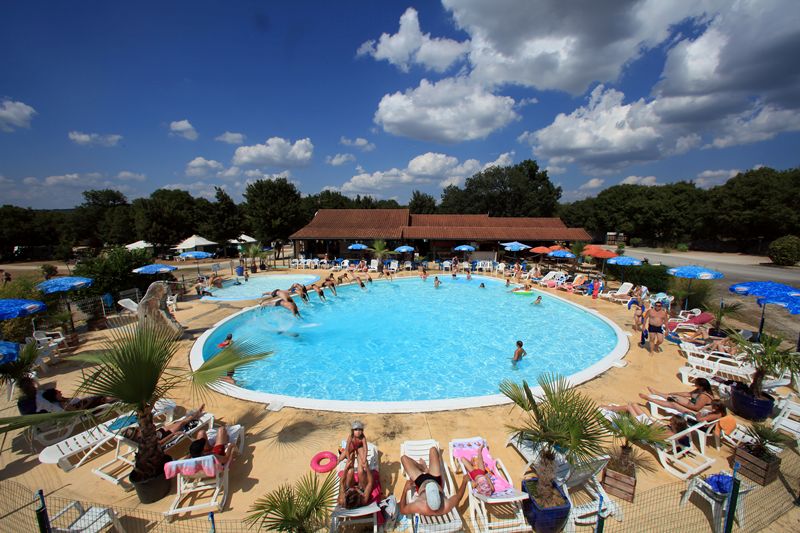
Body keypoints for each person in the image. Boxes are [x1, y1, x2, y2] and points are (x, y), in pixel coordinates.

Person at [399, 447, 468, 517]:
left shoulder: (420, 506)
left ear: (426, 500)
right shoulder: (445, 505)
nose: (429, 485)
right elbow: (459, 496)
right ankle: (424, 468)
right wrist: (464, 482)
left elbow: (402, 510)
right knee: (433, 450)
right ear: (440, 498)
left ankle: (422, 467)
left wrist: (405, 490)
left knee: (403, 458)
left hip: (420, 482)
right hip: (436, 479)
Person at [641, 378, 714, 414]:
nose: (694, 385)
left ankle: (650, 399)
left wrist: (680, 403)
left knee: (673, 403)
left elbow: (696, 408)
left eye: (696, 384)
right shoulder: (700, 390)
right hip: (692, 404)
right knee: (674, 397)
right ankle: (657, 393)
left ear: (701, 386)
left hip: (698, 412)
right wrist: (674, 393)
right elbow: (688, 394)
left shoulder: (704, 396)